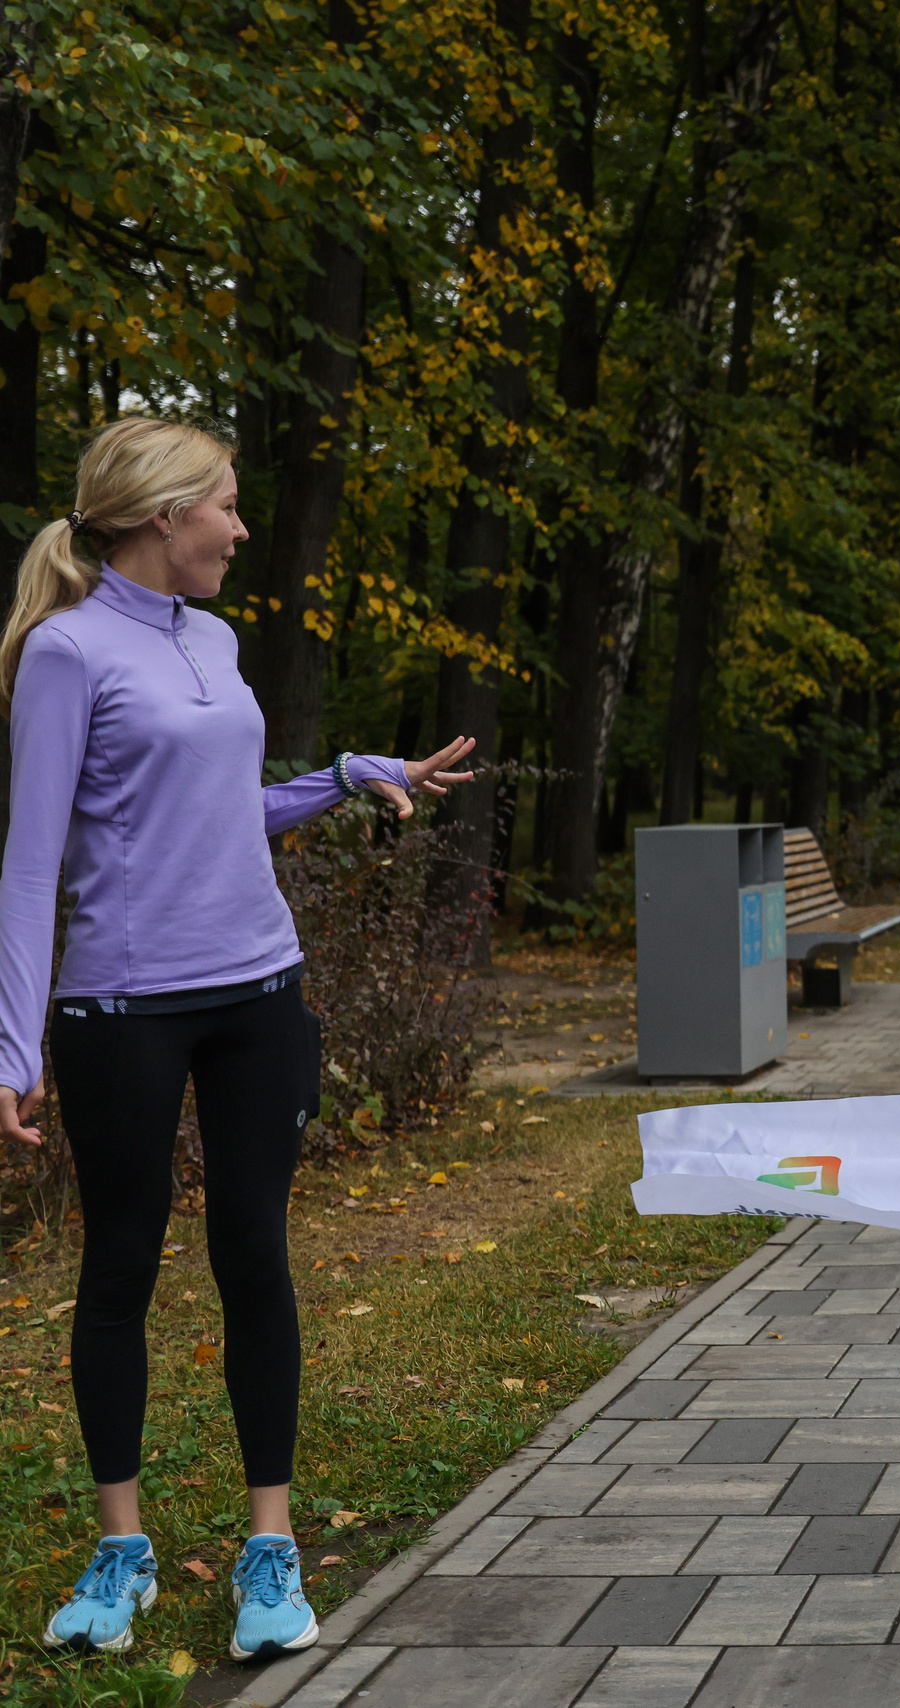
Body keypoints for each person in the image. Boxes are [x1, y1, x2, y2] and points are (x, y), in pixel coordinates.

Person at [0, 418, 476, 1659]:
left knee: (254, 1255)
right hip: (122, 1006)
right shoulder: (64, 650)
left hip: (259, 989)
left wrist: (344, 774)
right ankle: (124, 1550)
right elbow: (30, 858)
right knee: (119, 1267)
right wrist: (14, 1044)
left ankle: (271, 1549)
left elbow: (221, 810)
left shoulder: (213, 639)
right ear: (164, 515)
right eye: (225, 503)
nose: (241, 526)